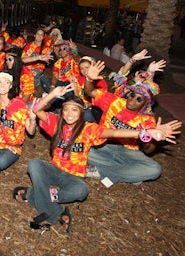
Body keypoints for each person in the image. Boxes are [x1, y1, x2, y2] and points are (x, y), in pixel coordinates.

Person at [13, 88, 179, 233]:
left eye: (74, 110)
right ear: (62, 112)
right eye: (66, 110)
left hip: (73, 177)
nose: (69, 114)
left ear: (81, 113)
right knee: (34, 163)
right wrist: (53, 94)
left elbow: (114, 133)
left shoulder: (89, 129)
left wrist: (145, 133)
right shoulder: (56, 124)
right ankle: (55, 213)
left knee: (81, 191)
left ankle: (36, 195)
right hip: (53, 169)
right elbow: (37, 109)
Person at [84, 60, 182, 184]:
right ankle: (128, 174)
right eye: (131, 94)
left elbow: (148, 150)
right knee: (79, 145)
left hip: (128, 152)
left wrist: (154, 139)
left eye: (139, 99)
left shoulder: (148, 120)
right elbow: (89, 92)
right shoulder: (115, 101)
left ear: (145, 103)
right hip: (103, 144)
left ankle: (103, 171)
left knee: (155, 170)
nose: (132, 99)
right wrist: (89, 79)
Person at [71, 56, 107, 122]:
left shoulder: (100, 81)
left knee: (86, 114)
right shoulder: (80, 79)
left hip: (93, 109)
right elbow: (77, 97)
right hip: (80, 105)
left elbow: (100, 101)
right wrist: (75, 90)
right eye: (82, 68)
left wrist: (86, 106)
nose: (84, 70)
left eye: (87, 67)